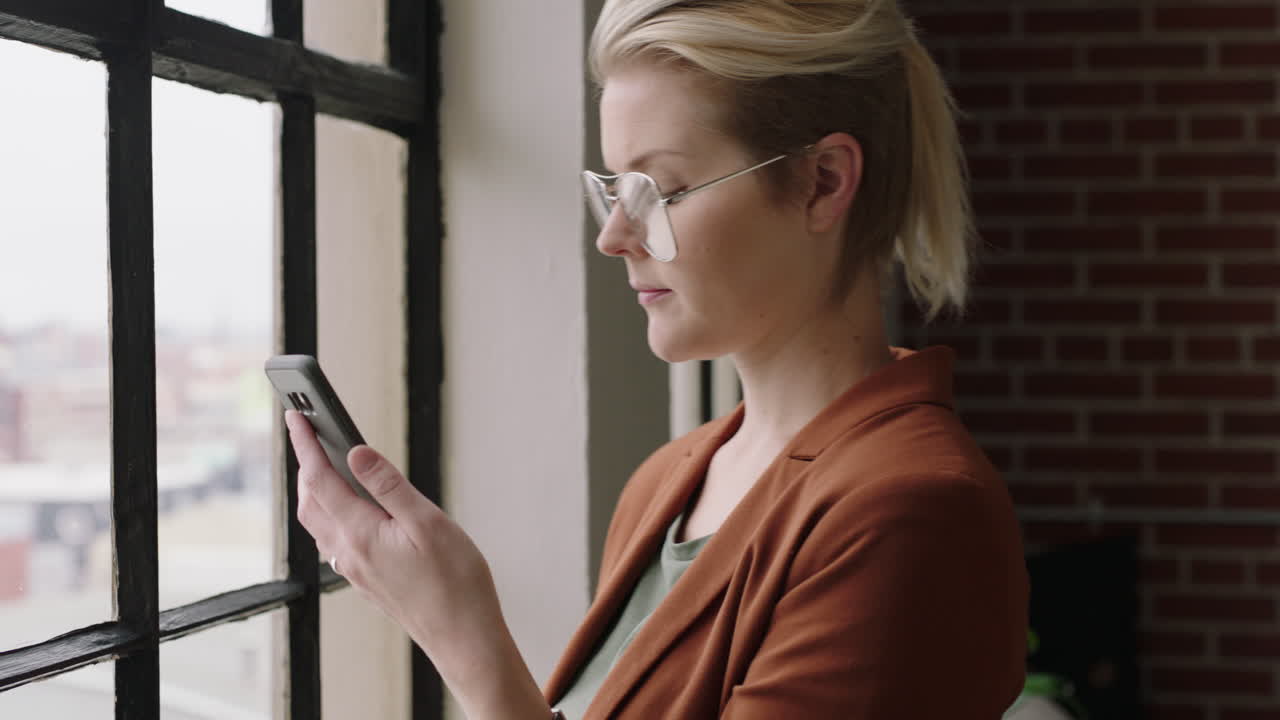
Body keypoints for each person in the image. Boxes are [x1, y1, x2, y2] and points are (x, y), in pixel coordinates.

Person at [285, 0, 1029, 718]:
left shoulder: (909, 511)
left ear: (823, 182)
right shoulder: (666, 485)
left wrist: (462, 639)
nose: (614, 236)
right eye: (613, 188)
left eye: (662, 190)